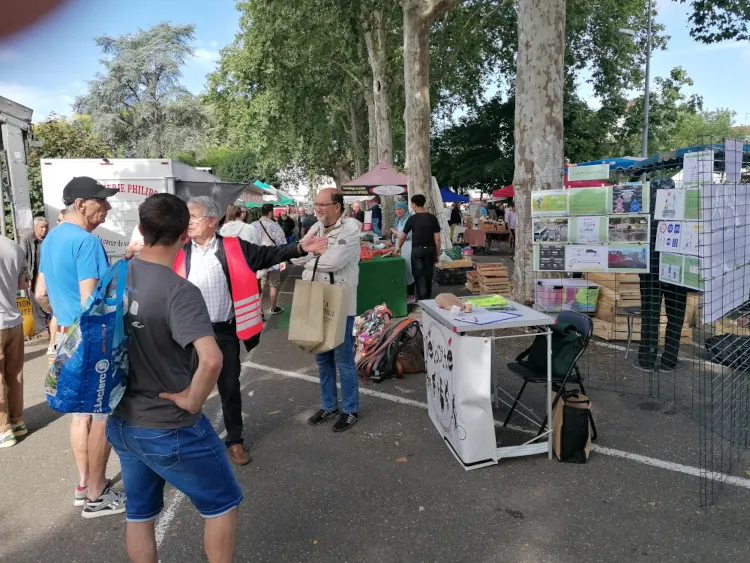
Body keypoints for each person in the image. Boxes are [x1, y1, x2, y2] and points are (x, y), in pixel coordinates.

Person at [107, 193, 241, 563]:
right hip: (169, 425)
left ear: (142, 228)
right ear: (184, 233)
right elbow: (212, 360)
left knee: (140, 514)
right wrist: (192, 400)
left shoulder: (117, 273)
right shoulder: (179, 291)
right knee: (222, 503)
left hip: (123, 421)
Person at [177, 196, 326, 465]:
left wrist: (300, 248)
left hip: (224, 332)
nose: (187, 223)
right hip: (188, 334)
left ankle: (235, 440)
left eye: (193, 218)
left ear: (212, 221)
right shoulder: (178, 248)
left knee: (229, 387)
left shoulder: (233, 247)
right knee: (186, 387)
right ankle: (189, 438)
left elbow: (269, 255)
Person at [35, 176, 126, 517]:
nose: (108, 206)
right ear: (80, 204)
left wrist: (61, 322)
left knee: (79, 416)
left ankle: (83, 484)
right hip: (92, 343)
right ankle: (97, 495)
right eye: (102, 201)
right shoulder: (87, 242)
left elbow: (41, 292)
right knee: (101, 416)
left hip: (65, 340)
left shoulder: (53, 238)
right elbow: (92, 304)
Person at [295, 188, 362, 432]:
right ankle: (329, 405)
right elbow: (296, 257)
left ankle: (351, 409)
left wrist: (313, 253)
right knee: (322, 358)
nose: (318, 208)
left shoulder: (351, 227)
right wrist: (316, 251)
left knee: (343, 359)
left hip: (339, 301)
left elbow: (335, 261)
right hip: (315, 297)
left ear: (337, 206)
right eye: (316, 204)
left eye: (323, 204)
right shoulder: (316, 227)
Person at [0, 236, 29, 448]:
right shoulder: (14, 247)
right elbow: (22, 284)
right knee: (14, 372)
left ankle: (3, 428)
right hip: (13, 320)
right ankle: (17, 420)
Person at [396, 194, 441, 301]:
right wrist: (437, 253)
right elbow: (437, 239)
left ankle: (422, 300)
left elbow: (402, 237)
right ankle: (428, 299)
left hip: (417, 250)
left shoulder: (411, 219)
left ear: (414, 205)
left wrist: (398, 248)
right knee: (429, 274)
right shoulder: (432, 218)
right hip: (430, 249)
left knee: (419, 275)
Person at [248, 204, 289, 316]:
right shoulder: (276, 226)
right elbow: (282, 245)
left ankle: (258, 310)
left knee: (261, 284)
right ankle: (273, 307)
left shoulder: (253, 225)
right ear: (270, 213)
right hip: (274, 259)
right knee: (274, 284)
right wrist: (283, 260)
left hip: (260, 259)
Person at [18, 216, 49, 335]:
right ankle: (42, 329)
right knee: (36, 302)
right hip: (33, 275)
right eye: (41, 227)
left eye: (46, 227)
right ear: (35, 228)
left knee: (48, 300)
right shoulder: (26, 239)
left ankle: (51, 325)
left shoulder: (49, 239)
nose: (44, 230)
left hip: (47, 275)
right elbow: (22, 258)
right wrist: (26, 277)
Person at [390, 201, 415, 299]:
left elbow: (408, 235)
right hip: (399, 247)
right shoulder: (398, 220)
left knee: (409, 270)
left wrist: (396, 232)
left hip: (408, 247)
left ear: (405, 209)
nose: (398, 211)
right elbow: (397, 237)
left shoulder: (409, 219)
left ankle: (411, 295)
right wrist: (394, 236)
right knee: (402, 270)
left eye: (400, 209)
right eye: (396, 209)